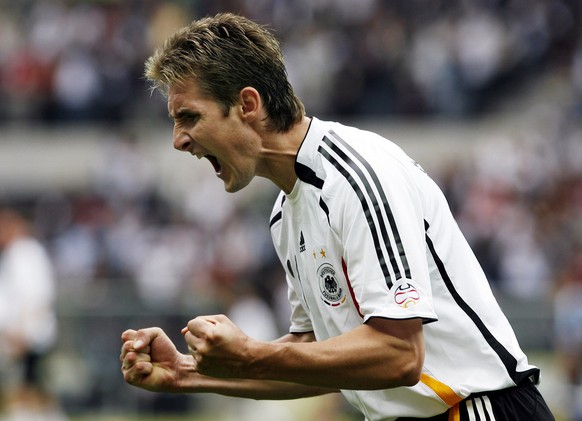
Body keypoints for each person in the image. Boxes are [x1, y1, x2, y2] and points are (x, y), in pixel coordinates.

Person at [120, 13, 554, 420]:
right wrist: (187, 373)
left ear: (248, 104)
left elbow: (400, 354)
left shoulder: (357, 176)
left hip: (480, 409)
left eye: (189, 116)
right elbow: (316, 354)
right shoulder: (285, 214)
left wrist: (250, 353)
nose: (178, 140)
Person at [0, 208, 65, 420]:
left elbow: (36, 296)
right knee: (30, 384)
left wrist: (22, 332)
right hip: (22, 334)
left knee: (29, 386)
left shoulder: (25, 253)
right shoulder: (16, 254)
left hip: (29, 334)